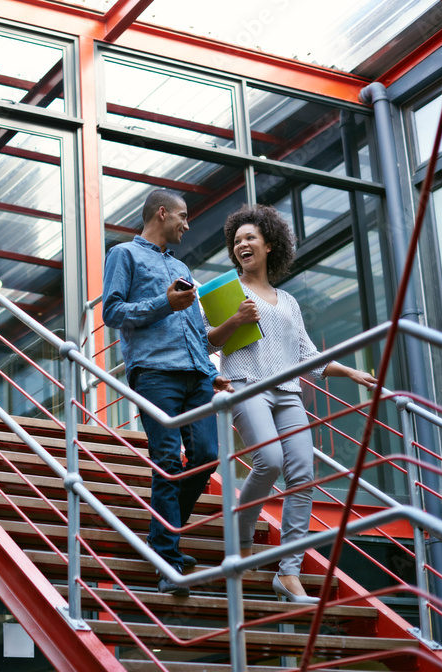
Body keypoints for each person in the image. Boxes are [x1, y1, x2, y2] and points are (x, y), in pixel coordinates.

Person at [204, 203, 377, 603]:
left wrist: (349, 372)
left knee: (302, 474)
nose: (241, 244)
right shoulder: (228, 290)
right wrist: (235, 321)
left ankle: (290, 573)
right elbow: (208, 341)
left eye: (250, 238)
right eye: (236, 241)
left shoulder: (288, 300)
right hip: (248, 386)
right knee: (270, 461)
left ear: (269, 244)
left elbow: (307, 357)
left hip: (287, 392)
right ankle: (242, 535)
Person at [103, 188, 233, 597]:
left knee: (207, 457)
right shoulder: (124, 254)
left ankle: (163, 534)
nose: (187, 223)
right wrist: (164, 303)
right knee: (166, 461)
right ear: (162, 213)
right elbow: (112, 312)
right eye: (182, 216)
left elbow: (194, 327)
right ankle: (167, 557)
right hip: (156, 372)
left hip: (196, 375)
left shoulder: (181, 266)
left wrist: (210, 371)